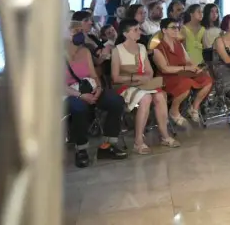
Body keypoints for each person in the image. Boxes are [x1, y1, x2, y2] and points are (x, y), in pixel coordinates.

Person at [110, 19, 179, 154]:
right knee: (146, 97)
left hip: (143, 83)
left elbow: (149, 71)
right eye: (135, 30)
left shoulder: (141, 48)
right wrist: (135, 78)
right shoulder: (117, 50)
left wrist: (144, 78)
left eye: (139, 29)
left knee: (160, 95)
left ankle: (165, 136)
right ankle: (138, 141)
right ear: (125, 33)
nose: (139, 32)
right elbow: (115, 77)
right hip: (125, 85)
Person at [65, 19, 127, 167]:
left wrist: (98, 89)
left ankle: (108, 145)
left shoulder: (85, 51)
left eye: (81, 30)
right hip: (69, 93)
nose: (80, 34)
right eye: (75, 31)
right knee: (79, 107)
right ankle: (81, 149)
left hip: (89, 88)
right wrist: (80, 96)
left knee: (116, 101)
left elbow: (94, 75)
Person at [153, 18, 213, 125]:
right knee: (186, 83)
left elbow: (188, 60)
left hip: (182, 73)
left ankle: (194, 107)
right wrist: (186, 68)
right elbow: (164, 69)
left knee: (207, 79)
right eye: (173, 27)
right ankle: (173, 111)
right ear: (164, 30)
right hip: (166, 77)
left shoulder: (178, 44)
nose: (176, 30)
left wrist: (195, 68)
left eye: (178, 27)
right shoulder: (158, 48)